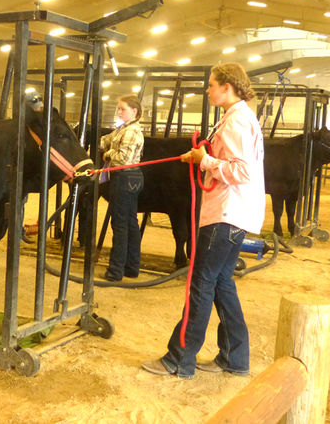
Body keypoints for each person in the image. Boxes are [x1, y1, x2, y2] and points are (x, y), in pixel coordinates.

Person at [142, 62, 265, 379]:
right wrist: (198, 158)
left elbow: (242, 171)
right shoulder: (238, 117)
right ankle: (234, 358)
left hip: (226, 214)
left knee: (200, 284)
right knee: (222, 284)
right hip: (235, 214)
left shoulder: (237, 121)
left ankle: (179, 359)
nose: (208, 89)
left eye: (212, 84)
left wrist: (206, 160)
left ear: (227, 86)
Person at [100, 95, 145, 282]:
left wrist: (107, 154)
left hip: (124, 176)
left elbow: (123, 158)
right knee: (130, 222)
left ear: (134, 111)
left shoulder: (131, 131)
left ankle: (115, 270)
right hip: (131, 177)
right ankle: (131, 267)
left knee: (120, 223)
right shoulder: (123, 129)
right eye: (119, 108)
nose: (119, 112)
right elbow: (105, 139)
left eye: (123, 109)